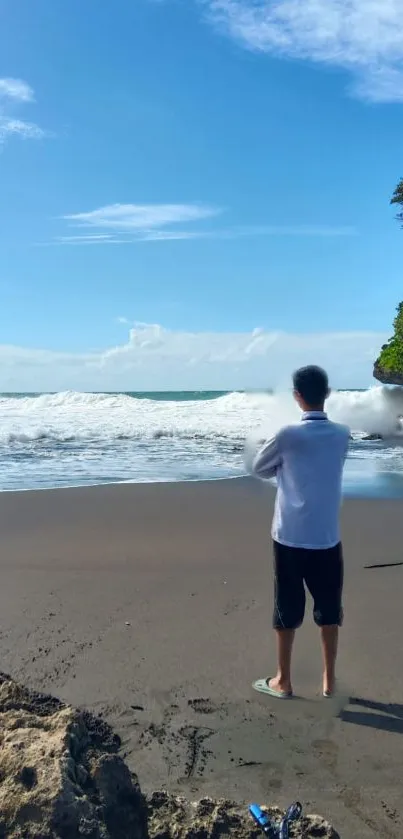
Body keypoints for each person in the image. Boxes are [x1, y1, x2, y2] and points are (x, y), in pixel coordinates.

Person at [249, 366, 350, 699]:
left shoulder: (287, 435)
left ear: (297, 396)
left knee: (286, 608)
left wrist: (285, 468)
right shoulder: (342, 434)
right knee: (329, 609)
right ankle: (329, 682)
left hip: (290, 535)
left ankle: (284, 680)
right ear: (328, 392)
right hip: (326, 535)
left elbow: (259, 467)